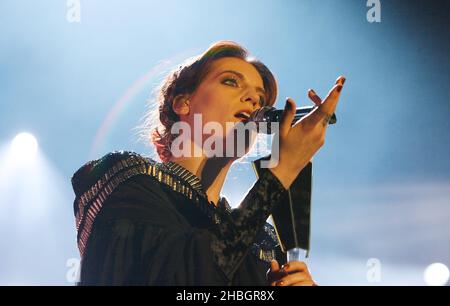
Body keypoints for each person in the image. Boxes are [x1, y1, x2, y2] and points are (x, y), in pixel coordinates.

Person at [71, 40, 345, 286]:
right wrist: (282, 172)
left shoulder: (263, 239)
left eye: (260, 98)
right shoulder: (127, 179)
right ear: (183, 103)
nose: (253, 99)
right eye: (231, 81)